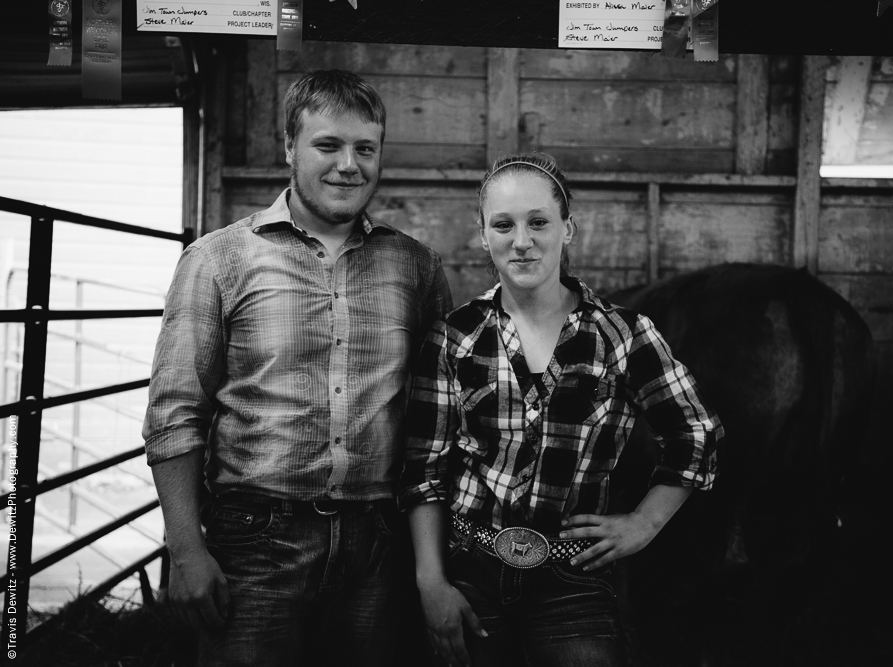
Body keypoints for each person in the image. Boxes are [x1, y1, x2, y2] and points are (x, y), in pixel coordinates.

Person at [143, 69, 452, 667]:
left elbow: (435, 423)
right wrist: (185, 550)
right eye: (328, 145)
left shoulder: (415, 268)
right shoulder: (218, 260)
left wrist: (431, 565)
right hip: (256, 543)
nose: (349, 165)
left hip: (379, 546)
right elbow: (175, 412)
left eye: (366, 148)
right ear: (290, 145)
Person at [398, 152, 723, 667]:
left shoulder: (622, 335)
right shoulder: (455, 338)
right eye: (503, 225)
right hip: (471, 568)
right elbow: (424, 471)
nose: (521, 241)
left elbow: (695, 431)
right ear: (483, 235)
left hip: (572, 578)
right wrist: (430, 582)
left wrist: (644, 523)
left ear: (568, 228)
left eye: (539, 222)